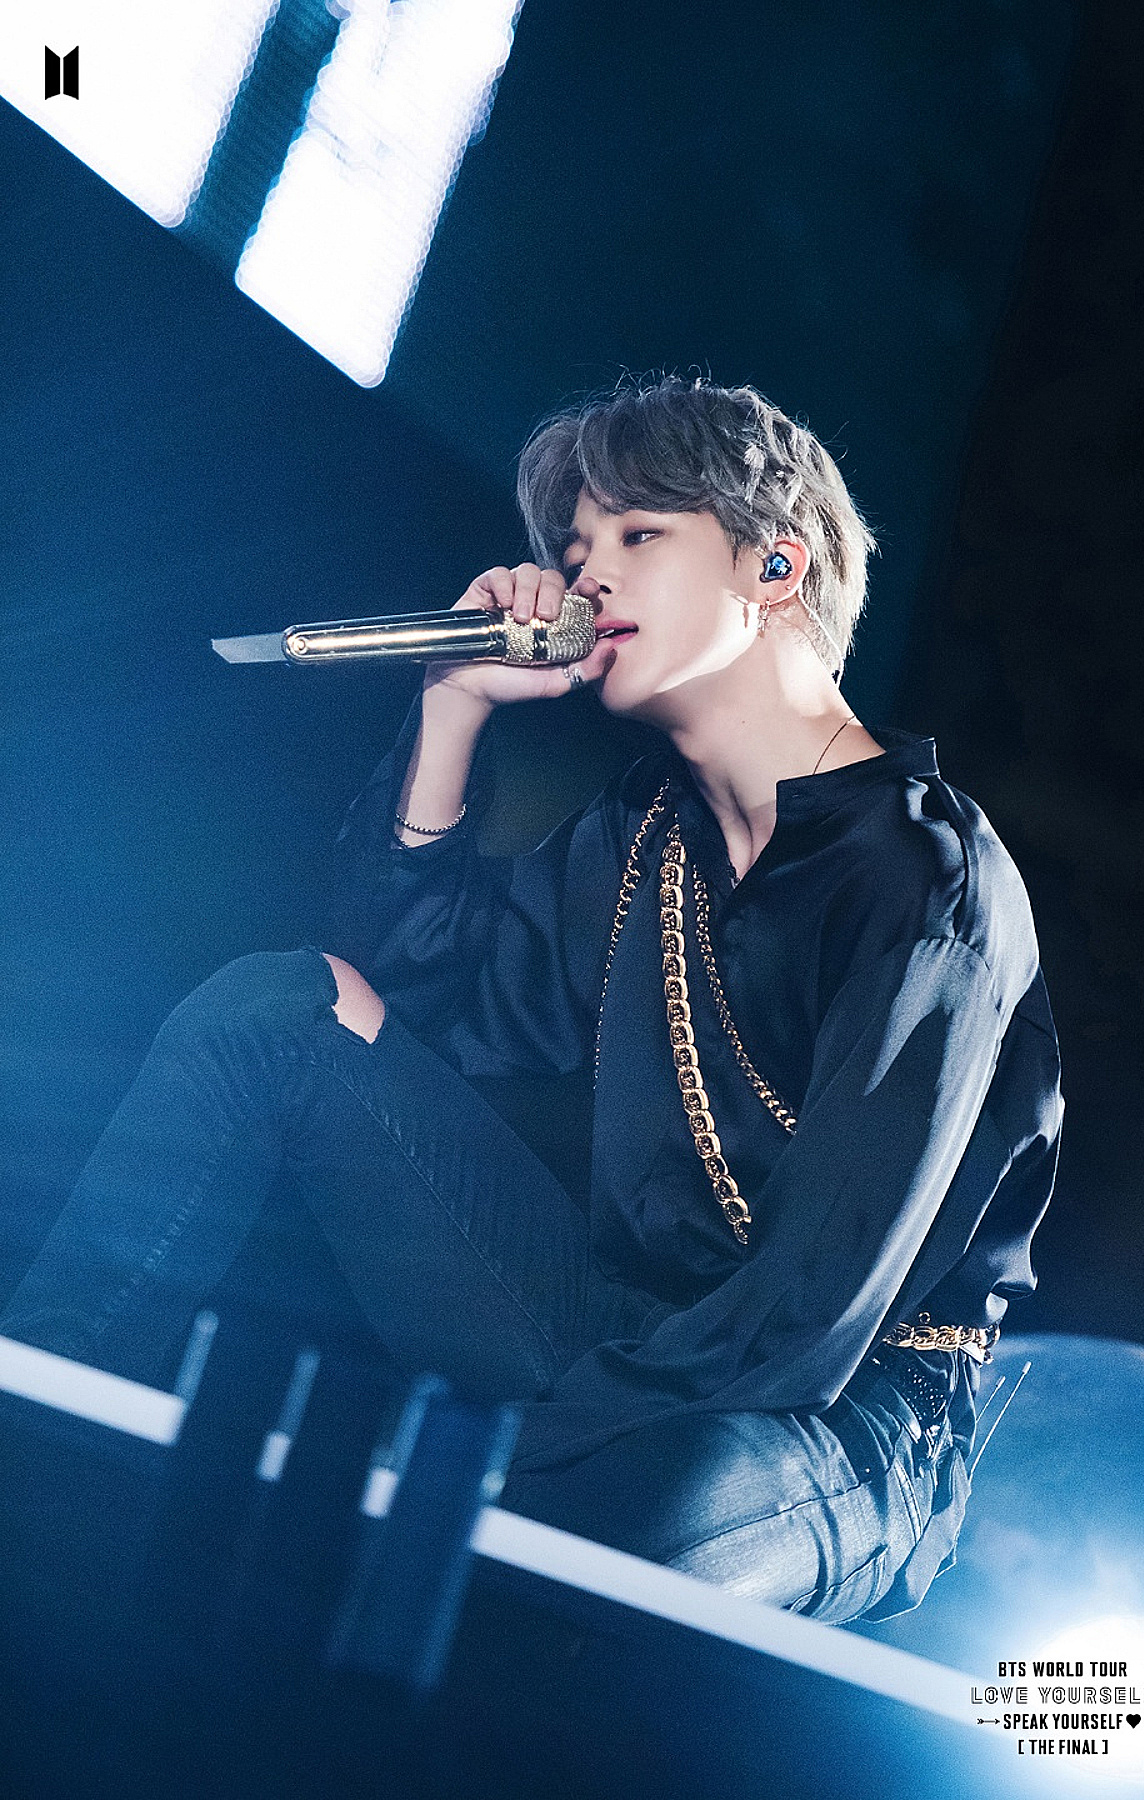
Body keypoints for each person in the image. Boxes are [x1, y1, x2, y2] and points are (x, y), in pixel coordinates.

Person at [1, 376, 1063, 1621]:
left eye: (638, 534)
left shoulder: (921, 879)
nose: (584, 574)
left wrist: (468, 1474)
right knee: (276, 1014)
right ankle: (33, 1429)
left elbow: (803, 1322)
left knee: (636, 1518)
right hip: (619, 1337)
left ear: (775, 567)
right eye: (574, 546)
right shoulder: (648, 830)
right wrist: (452, 704)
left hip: (834, 1420)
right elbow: (414, 1004)